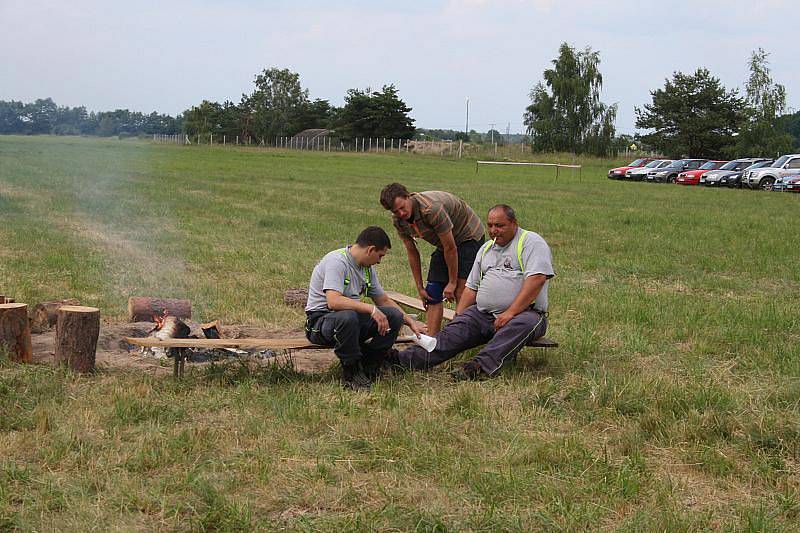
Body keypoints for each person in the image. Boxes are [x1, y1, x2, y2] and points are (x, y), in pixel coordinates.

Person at [389, 204, 554, 381]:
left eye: (499, 226)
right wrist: (459, 316)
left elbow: (537, 280)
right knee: (451, 334)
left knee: (520, 325)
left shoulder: (531, 242)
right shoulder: (486, 249)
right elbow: (471, 287)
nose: (493, 231)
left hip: (525, 314)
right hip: (483, 313)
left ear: (514, 223)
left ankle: (478, 367)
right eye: (490, 225)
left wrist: (510, 313)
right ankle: (399, 361)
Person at [305, 226, 426, 390]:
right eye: (380, 255)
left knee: (393, 316)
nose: (379, 261)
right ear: (370, 249)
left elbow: (383, 300)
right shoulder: (337, 261)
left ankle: (370, 365)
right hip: (320, 323)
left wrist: (409, 321)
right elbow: (333, 302)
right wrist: (371, 309)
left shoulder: (367, 269)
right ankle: (351, 371)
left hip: (351, 322)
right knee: (348, 316)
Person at [379, 183, 485, 336]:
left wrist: (452, 282)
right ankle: (432, 341)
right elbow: (412, 252)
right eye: (396, 211)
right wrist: (420, 288)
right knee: (432, 291)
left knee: (461, 291)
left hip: (468, 235)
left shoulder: (432, 209)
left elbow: (451, 248)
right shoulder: (398, 221)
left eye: (402, 207)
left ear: (408, 196)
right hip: (445, 243)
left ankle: (462, 337)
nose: (401, 213)